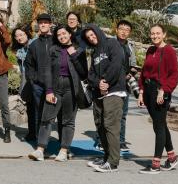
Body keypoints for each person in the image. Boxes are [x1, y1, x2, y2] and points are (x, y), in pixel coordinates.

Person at [28, 25, 87, 162]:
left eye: (64, 33)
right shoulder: (53, 49)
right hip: (55, 87)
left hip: (71, 88)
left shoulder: (79, 50)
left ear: (70, 34)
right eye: (59, 34)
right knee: (46, 118)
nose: (62, 36)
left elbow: (83, 73)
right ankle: (40, 149)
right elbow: (47, 71)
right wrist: (49, 90)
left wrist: (73, 56)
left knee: (68, 121)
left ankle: (64, 150)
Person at [82, 24, 125, 173]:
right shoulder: (94, 53)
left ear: (98, 31)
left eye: (92, 34)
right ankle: (106, 156)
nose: (91, 38)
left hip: (114, 91)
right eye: (88, 37)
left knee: (110, 126)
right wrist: (97, 83)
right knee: (100, 124)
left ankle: (113, 162)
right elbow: (91, 75)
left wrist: (105, 81)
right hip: (99, 93)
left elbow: (117, 63)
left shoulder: (112, 43)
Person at [137, 24, 178, 174]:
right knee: (160, 124)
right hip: (148, 91)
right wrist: (141, 91)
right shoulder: (150, 50)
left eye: (158, 33)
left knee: (159, 127)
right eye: (152, 33)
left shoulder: (168, 51)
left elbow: (174, 75)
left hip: (160, 92)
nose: (155, 36)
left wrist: (164, 90)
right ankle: (172, 157)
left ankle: (156, 164)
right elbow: (144, 72)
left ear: (164, 34)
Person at [24, 13, 54, 138]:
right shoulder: (34, 44)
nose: (43, 24)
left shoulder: (56, 41)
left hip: (55, 84)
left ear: (50, 24)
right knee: (39, 113)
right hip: (39, 85)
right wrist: (33, 80)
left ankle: (62, 144)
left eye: (45, 22)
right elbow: (28, 64)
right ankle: (40, 141)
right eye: (41, 22)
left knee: (54, 113)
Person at [114, 19, 137, 156]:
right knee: (109, 115)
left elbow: (133, 65)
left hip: (124, 86)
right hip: (111, 85)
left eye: (127, 30)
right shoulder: (110, 44)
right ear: (116, 30)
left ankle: (121, 141)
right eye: (121, 28)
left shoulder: (130, 47)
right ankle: (101, 140)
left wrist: (130, 74)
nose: (123, 32)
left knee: (122, 115)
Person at [11, 24, 37, 141]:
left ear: (27, 34)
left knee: (38, 108)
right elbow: (22, 70)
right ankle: (32, 133)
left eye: (21, 35)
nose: (19, 38)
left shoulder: (35, 44)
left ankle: (39, 133)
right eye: (17, 36)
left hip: (37, 80)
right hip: (27, 82)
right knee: (30, 108)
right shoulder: (20, 51)